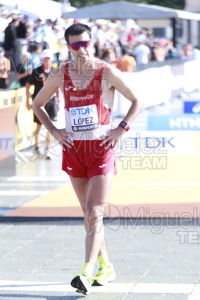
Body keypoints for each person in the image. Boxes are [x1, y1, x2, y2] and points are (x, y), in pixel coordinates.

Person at [32, 23, 140, 295]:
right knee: (88, 216)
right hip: (73, 150)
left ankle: (86, 272)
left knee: (94, 212)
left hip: (101, 148)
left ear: (92, 42)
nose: (81, 49)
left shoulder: (107, 72)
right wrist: (55, 133)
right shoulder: (61, 73)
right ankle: (106, 265)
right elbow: (37, 105)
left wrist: (121, 128)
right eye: (75, 45)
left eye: (85, 43)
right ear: (68, 46)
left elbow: (137, 101)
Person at [26, 49, 59, 159]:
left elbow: (57, 86)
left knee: (51, 126)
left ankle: (48, 149)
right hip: (39, 103)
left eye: (49, 59)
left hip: (51, 102)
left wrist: (58, 100)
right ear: (42, 60)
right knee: (39, 126)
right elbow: (28, 85)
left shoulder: (54, 71)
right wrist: (28, 100)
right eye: (45, 59)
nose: (47, 61)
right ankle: (36, 146)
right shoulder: (36, 71)